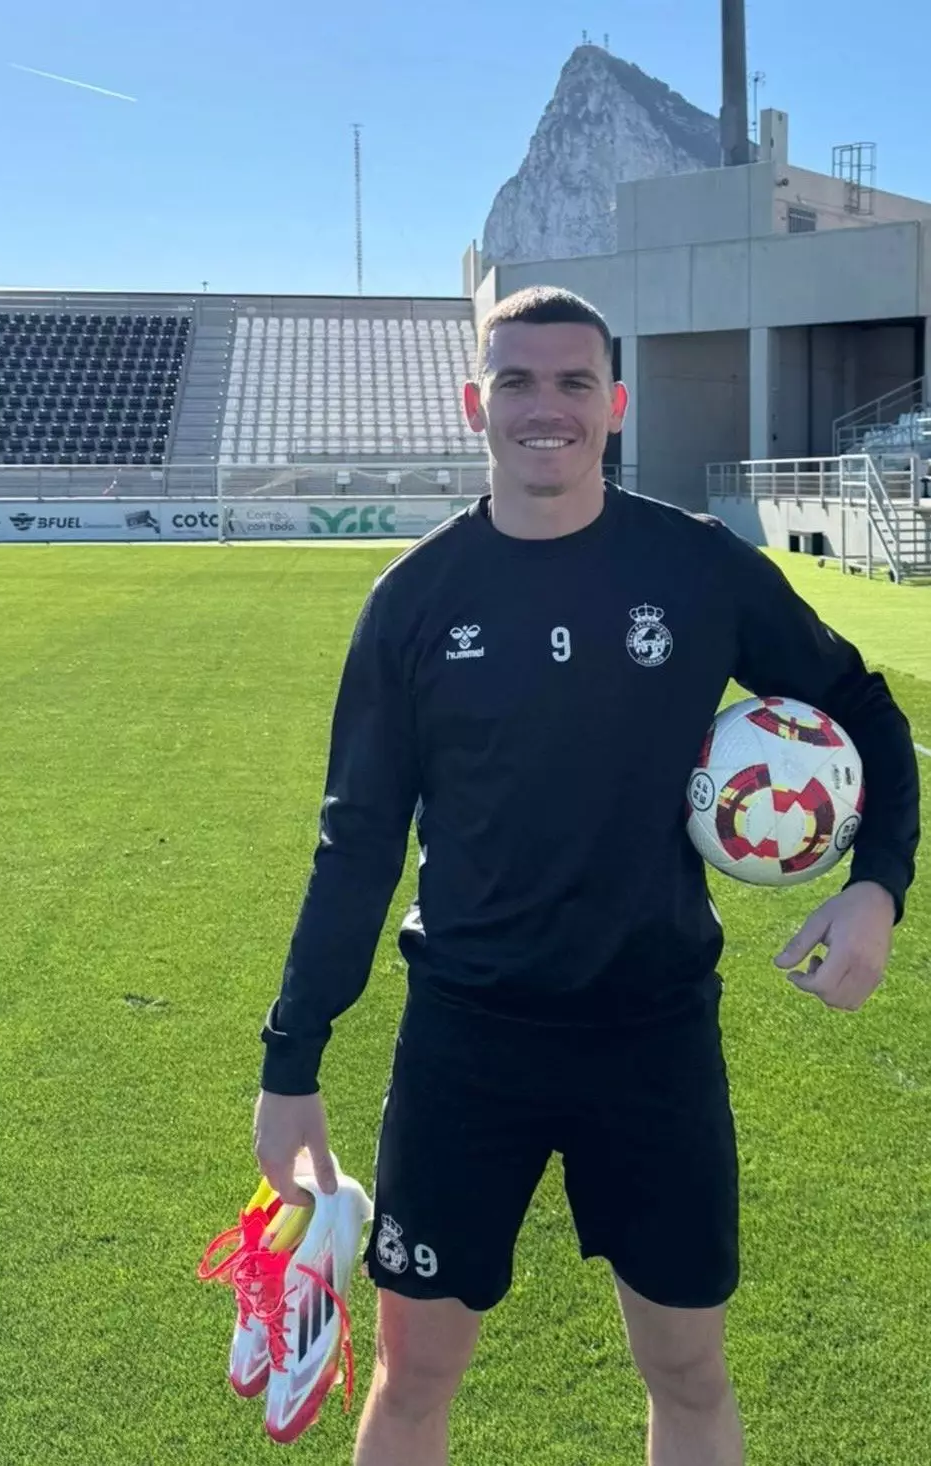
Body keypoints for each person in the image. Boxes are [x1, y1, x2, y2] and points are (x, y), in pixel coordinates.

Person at [253, 286, 921, 1466]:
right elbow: (356, 843)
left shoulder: (696, 567)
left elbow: (863, 704)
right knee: (413, 1378)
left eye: (573, 381)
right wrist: (290, 1063)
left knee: (688, 1370)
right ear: (476, 405)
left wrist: (878, 883)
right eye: (516, 380)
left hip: (653, 1036)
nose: (544, 406)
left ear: (615, 403)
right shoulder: (414, 600)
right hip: (467, 1041)